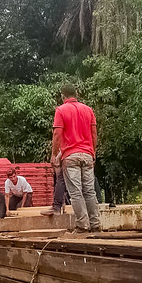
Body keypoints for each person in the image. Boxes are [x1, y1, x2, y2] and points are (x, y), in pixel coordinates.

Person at [50, 84, 100, 233]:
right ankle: (95, 224)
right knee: (90, 191)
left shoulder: (61, 110)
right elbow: (94, 134)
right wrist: (93, 152)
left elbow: (57, 134)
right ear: (76, 94)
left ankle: (82, 226)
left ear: (62, 96)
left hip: (71, 156)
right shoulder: (88, 109)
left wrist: (54, 154)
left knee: (76, 192)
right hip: (87, 154)